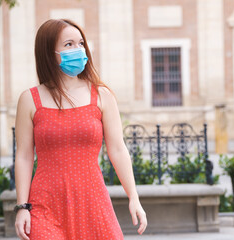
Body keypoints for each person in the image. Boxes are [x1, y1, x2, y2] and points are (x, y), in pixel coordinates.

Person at [14, 18, 147, 240]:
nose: (78, 50)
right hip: (44, 205)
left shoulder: (102, 95)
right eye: (69, 44)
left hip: (93, 202)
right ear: (49, 51)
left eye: (81, 44)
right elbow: (24, 156)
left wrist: (134, 197)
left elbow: (117, 149)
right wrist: (22, 207)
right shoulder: (29, 99)